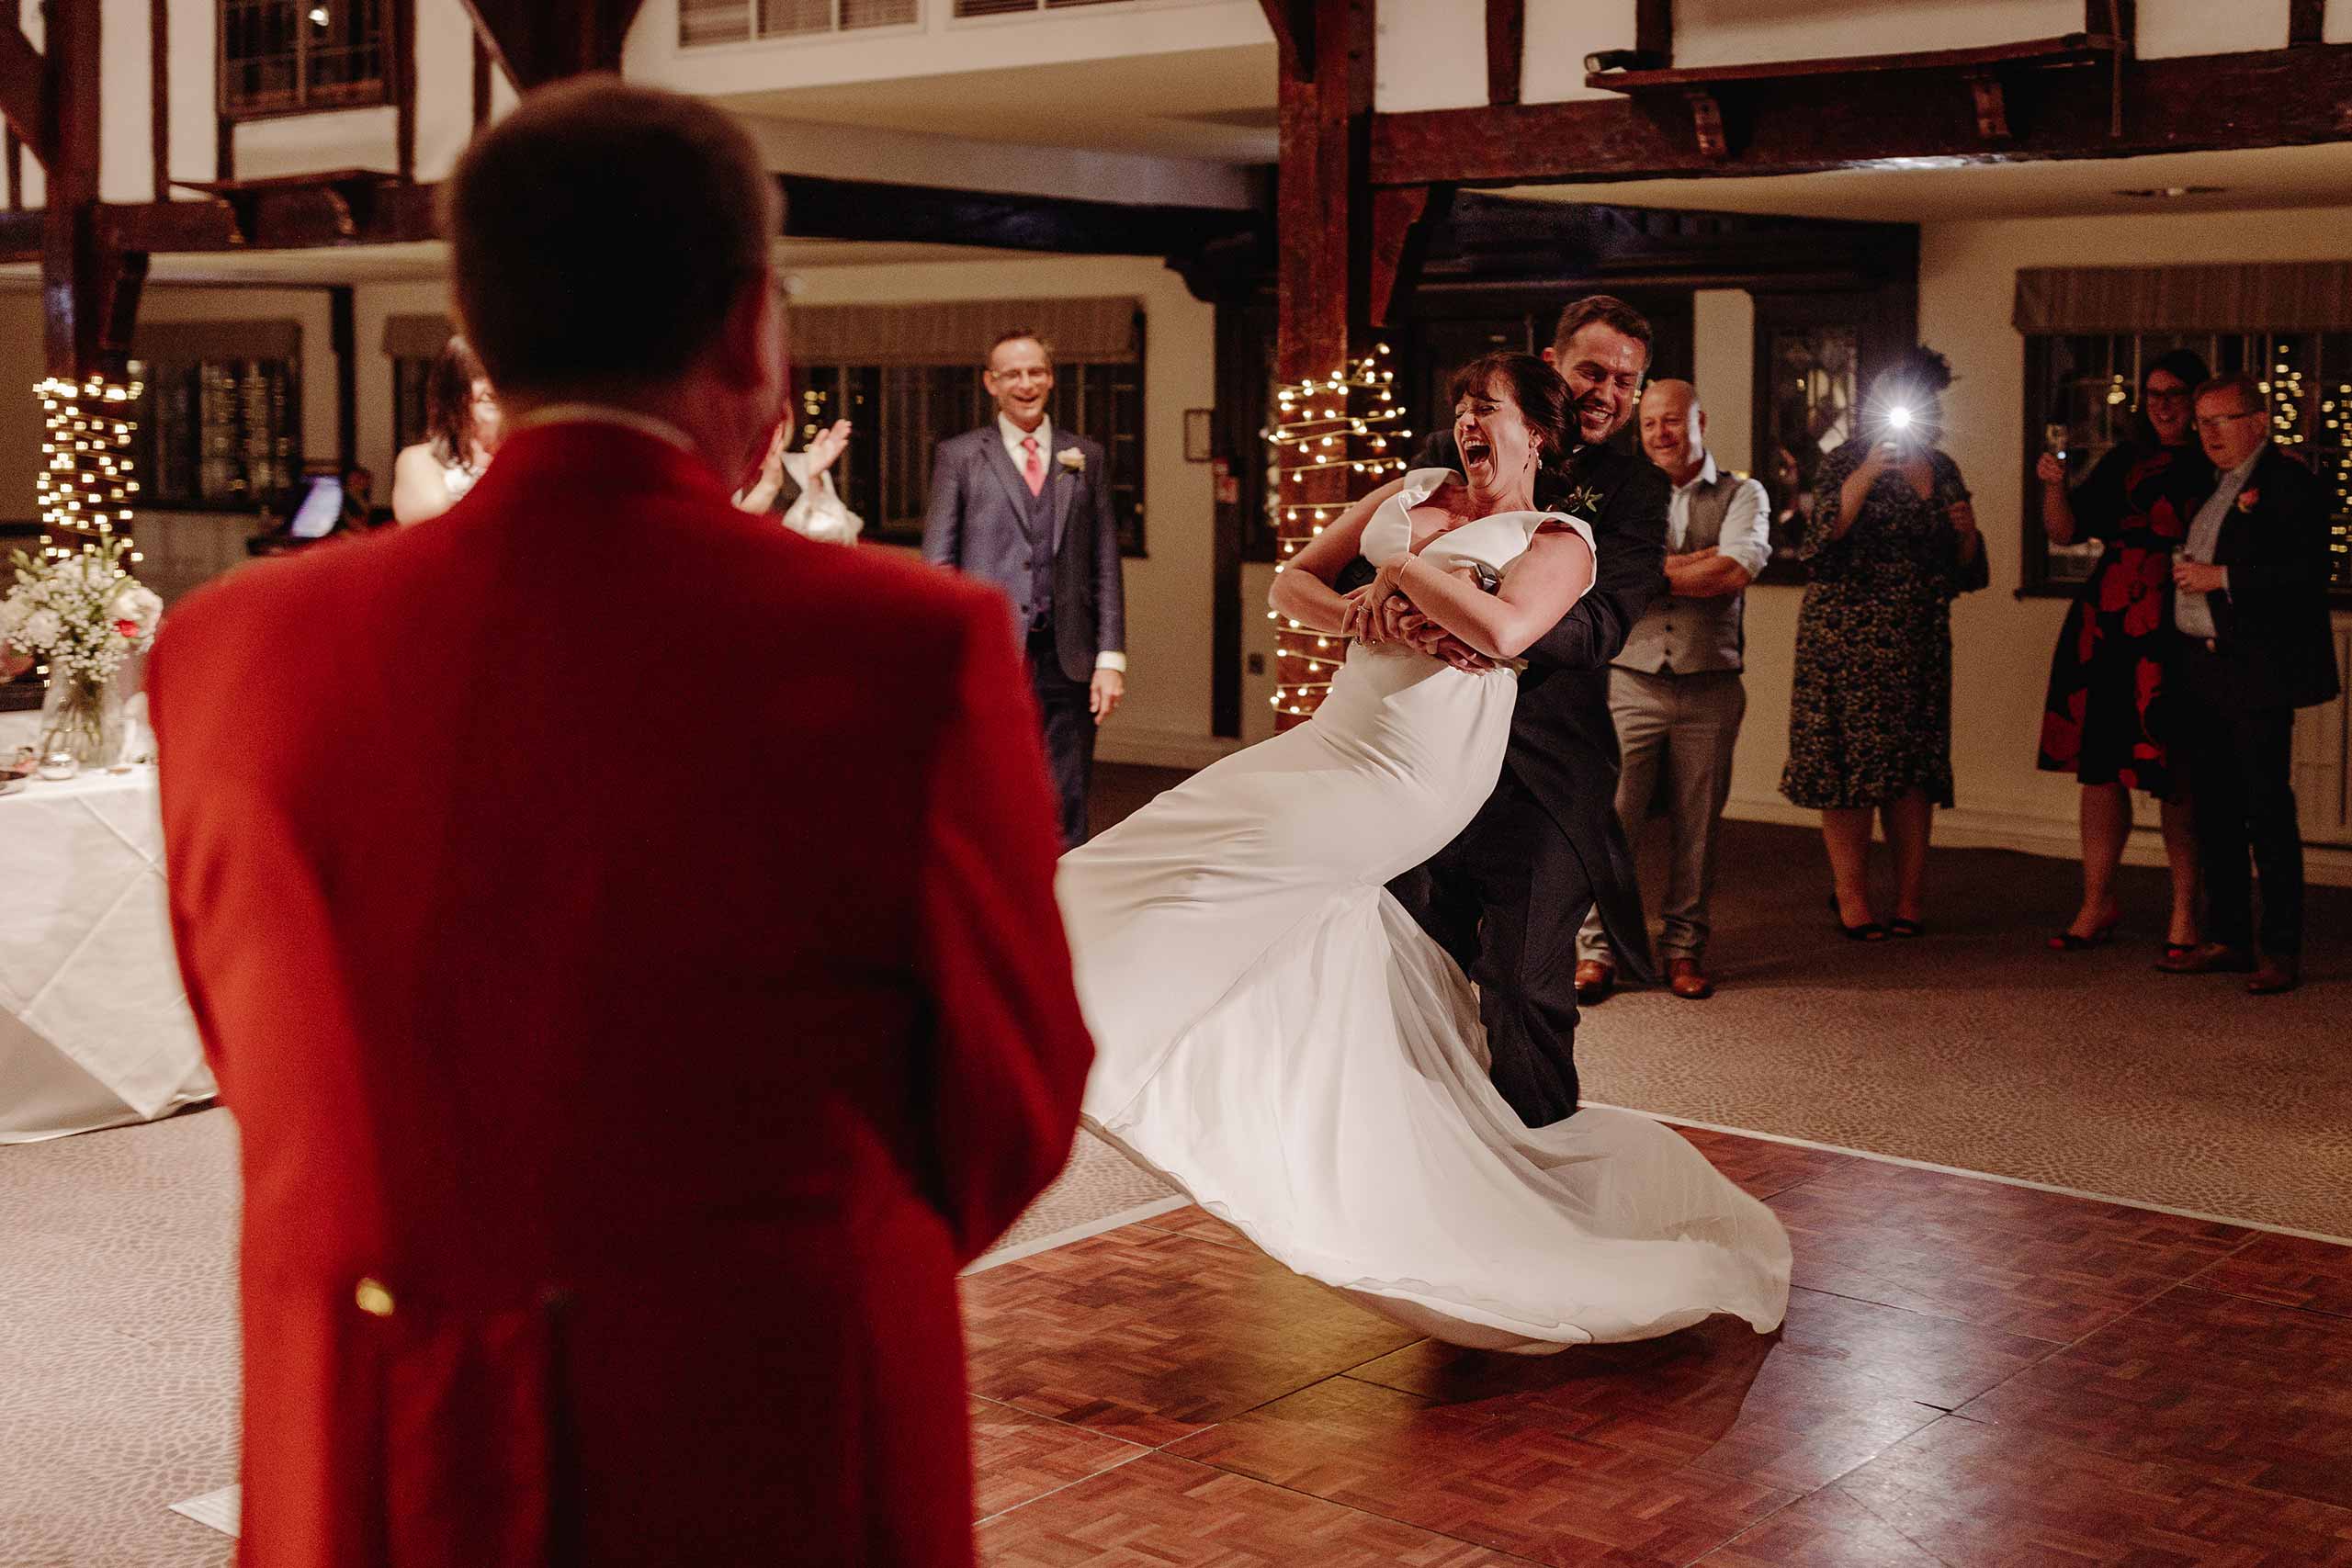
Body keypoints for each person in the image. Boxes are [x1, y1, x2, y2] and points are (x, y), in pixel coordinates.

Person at [147, 80, 1092, 1568]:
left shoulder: (228, 648)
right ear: (747, 325)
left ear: (480, 332)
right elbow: (1007, 1110)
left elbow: (260, 1046)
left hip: (383, 1429)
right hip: (772, 1416)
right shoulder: (901, 645)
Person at [1059, 351, 1788, 1352]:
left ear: (1537, 432)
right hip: (1333, 734)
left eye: (1484, 408)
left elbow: (1504, 627)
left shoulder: (1556, 536)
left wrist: (1398, 573)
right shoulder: (1404, 489)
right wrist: (1359, 606)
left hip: (1415, 771)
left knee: (1253, 879)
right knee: (1178, 828)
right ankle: (1052, 985)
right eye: (1459, 408)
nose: (1466, 424)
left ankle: (1096, 1033)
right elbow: (1293, 586)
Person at [1369, 294, 1672, 1126]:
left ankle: (1544, 1181)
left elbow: (1601, 626)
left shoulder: (1640, 491)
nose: (1609, 391)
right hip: (1425, 761)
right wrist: (1404, 609)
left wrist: (1485, 615)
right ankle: (1431, 1161)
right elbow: (1382, 568)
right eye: (1591, 371)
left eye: (1627, 380)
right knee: (1412, 977)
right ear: (1551, 365)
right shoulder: (1453, 450)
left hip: (1545, 772)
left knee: (1523, 986)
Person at [1780, 346, 1987, 940]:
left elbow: (1964, 569)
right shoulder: (1841, 462)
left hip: (1918, 638)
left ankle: (1910, 900)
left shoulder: (1942, 468)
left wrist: (1968, 535)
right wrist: (1867, 473)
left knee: (1912, 772)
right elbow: (1817, 545)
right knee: (1846, 772)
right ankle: (1851, 897)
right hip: (1843, 639)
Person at [1572, 380, 1770, 1002]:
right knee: (1612, 824)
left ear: (1699, 421)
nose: (1660, 432)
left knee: (1698, 829)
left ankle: (1684, 950)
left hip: (1710, 686)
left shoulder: (1745, 491)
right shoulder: (1622, 491)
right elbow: (1593, 574)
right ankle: (1597, 951)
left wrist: (1649, 574)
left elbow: (1735, 570)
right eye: (1650, 421)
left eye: (1672, 421)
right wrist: (1691, 564)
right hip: (1628, 681)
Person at [2155, 371, 2342, 995]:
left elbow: (2306, 572)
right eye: (2201, 421)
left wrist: (2223, 577)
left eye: (2221, 420)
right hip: (2204, 667)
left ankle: (2280, 949)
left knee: (2266, 807)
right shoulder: (2213, 486)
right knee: (2214, 808)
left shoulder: (2289, 484)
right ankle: (2229, 936)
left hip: (2258, 668)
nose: (2207, 432)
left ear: (2258, 423)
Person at [2032, 349, 2213, 958]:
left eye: (2176, 394)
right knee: (2101, 766)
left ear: (2197, 401)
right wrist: (2053, 487)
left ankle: (2186, 913)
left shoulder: (2216, 464)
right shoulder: (2125, 460)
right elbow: (2064, 530)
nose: (2163, 405)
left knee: (2178, 771)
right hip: (2109, 619)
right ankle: (2096, 900)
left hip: (2177, 622)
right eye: (2154, 394)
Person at [922, 330, 1126, 846]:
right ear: (991, 383)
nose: (1026, 383)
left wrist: (1110, 659)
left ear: (1051, 377)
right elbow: (939, 564)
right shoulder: (961, 457)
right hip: (990, 652)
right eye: (1012, 374)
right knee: (989, 784)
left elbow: (1104, 561)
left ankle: (1065, 908)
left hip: (1069, 653)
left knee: (1067, 794)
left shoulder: (1087, 456)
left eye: (1035, 371)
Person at [391, 334, 501, 524]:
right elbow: (432, 526)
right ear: (455, 397)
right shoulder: (420, 459)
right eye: (477, 375)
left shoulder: (531, 454)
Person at [735, 415, 863, 544]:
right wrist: (768, 487)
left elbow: (844, 539)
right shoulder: (721, 474)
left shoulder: (804, 464)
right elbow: (729, 545)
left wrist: (814, 481)